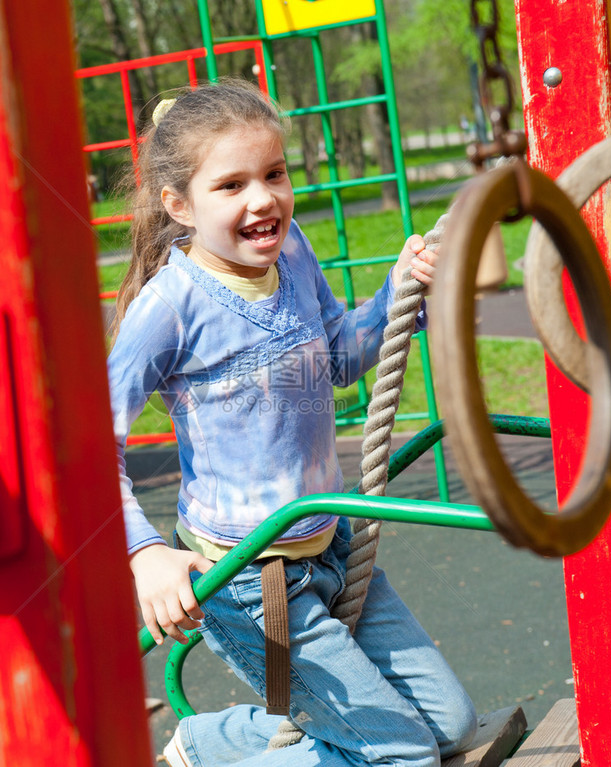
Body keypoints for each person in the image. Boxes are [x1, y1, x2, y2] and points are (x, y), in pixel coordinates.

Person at [107, 79, 477, 767]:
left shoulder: (293, 249)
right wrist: (144, 554)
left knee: (451, 726)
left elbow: (340, 354)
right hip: (254, 582)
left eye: (273, 174)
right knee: (401, 754)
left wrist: (398, 291)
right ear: (179, 205)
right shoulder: (170, 308)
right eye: (232, 185)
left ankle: (210, 740)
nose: (263, 199)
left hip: (328, 547)